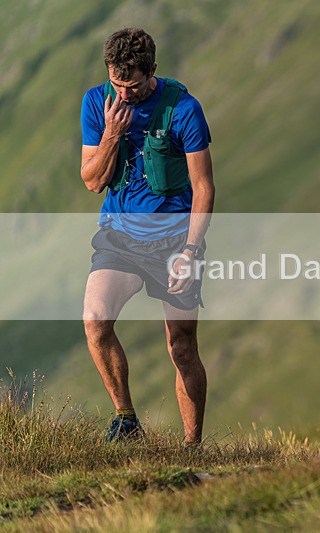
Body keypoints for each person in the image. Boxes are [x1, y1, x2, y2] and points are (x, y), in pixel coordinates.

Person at [80, 28, 214, 444]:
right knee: (95, 321)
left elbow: (203, 188)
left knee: (181, 348)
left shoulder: (184, 109)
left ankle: (192, 446)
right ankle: (126, 420)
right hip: (120, 235)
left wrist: (191, 251)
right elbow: (92, 181)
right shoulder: (96, 103)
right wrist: (112, 133)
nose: (124, 94)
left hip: (175, 240)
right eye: (117, 84)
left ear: (152, 70)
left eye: (133, 87)